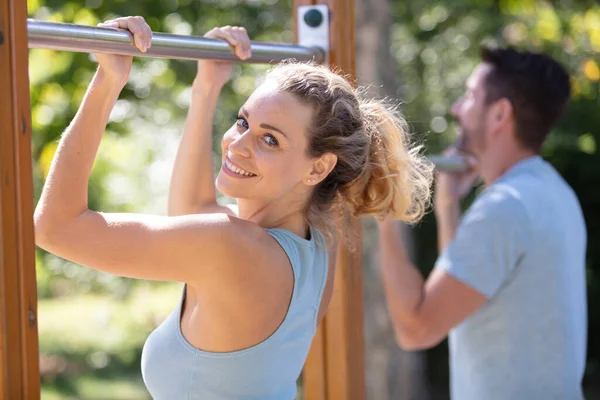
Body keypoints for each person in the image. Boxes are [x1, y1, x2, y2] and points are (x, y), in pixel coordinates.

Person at [33, 16, 433, 399]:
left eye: (270, 140)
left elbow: (56, 227)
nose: (238, 145)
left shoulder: (233, 247)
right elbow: (194, 215)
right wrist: (206, 88)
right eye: (243, 122)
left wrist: (108, 80)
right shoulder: (312, 249)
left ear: (319, 167)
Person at [376, 46, 587, 399]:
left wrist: (385, 215)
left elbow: (416, 329)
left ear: (500, 113)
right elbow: (464, 292)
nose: (457, 108)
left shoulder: (504, 209)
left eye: (471, 96)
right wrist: (448, 207)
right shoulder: (552, 192)